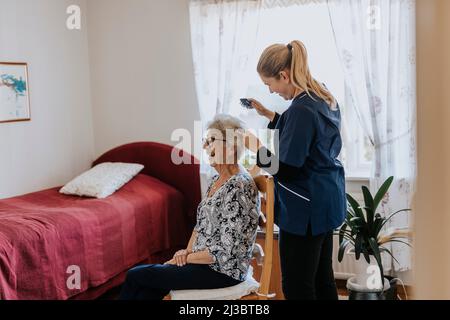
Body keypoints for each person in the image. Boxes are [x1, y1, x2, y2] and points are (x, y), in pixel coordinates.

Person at [242, 40, 346, 300]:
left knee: (298, 287)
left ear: (284, 75)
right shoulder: (322, 94)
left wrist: (256, 149)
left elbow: (286, 170)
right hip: (326, 201)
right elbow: (308, 136)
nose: (272, 91)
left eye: (270, 85)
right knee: (323, 280)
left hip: (305, 211)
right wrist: (270, 115)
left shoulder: (301, 109)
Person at [119, 114, 260, 300]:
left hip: (224, 271)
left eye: (211, 141)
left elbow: (226, 250)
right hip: (204, 263)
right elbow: (200, 226)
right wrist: (186, 252)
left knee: (136, 276)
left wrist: (186, 258)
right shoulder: (217, 180)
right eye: (205, 141)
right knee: (147, 290)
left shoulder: (239, 185)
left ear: (231, 146)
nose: (204, 146)